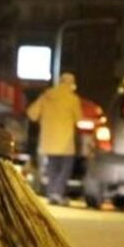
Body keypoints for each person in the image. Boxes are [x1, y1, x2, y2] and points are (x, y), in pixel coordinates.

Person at [26, 72, 83, 205]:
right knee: (65, 168)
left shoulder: (47, 96)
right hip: (66, 141)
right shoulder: (72, 98)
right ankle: (58, 193)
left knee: (52, 167)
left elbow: (32, 114)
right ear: (72, 83)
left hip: (49, 140)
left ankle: (52, 193)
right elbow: (79, 119)